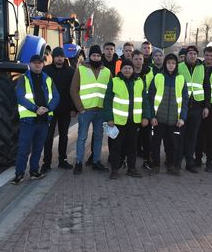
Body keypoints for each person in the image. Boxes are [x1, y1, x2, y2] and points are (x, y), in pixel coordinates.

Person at [12, 54, 60, 184]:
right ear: (30, 64)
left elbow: (56, 97)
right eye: (35, 63)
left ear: (43, 64)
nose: (37, 65)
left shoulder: (48, 79)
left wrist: (48, 108)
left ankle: (34, 171)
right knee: (24, 149)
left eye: (40, 63)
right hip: (28, 120)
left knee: (38, 148)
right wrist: (35, 109)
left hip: (44, 120)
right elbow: (20, 97)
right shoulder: (23, 79)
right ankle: (19, 174)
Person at [103, 59, 151, 179]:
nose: (128, 70)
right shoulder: (114, 81)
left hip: (133, 122)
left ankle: (132, 168)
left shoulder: (140, 81)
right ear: (121, 69)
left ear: (133, 69)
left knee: (132, 147)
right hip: (118, 122)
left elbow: (145, 101)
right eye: (125, 68)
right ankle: (114, 170)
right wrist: (109, 118)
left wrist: (146, 116)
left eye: (129, 68)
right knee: (116, 147)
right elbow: (107, 101)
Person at [70, 45, 111, 174]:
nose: (96, 58)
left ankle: (96, 161)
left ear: (101, 56)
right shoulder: (81, 70)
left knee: (99, 136)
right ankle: (78, 162)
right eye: (94, 55)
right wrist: (80, 108)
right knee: (82, 137)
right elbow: (73, 89)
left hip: (101, 111)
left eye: (98, 56)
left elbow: (110, 92)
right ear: (90, 56)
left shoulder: (107, 71)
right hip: (85, 111)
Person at [149, 53, 188, 175]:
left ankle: (171, 165)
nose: (171, 65)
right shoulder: (158, 77)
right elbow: (150, 98)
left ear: (176, 65)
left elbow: (185, 100)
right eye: (168, 63)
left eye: (173, 63)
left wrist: (182, 118)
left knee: (172, 145)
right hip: (158, 119)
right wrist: (152, 116)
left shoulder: (181, 79)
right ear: (165, 64)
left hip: (174, 121)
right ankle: (156, 165)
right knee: (155, 144)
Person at [41, 47, 75, 173]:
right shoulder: (46, 70)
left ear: (64, 57)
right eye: (57, 56)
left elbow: (74, 91)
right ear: (53, 57)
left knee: (64, 136)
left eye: (61, 56)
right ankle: (47, 162)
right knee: (48, 136)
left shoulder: (71, 71)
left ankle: (63, 160)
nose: (59, 58)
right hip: (49, 109)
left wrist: (74, 108)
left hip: (65, 109)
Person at [177, 45, 210, 173]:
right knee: (180, 136)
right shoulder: (179, 67)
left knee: (192, 137)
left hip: (197, 107)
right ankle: (177, 162)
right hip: (182, 107)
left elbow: (207, 87)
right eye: (190, 53)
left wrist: (207, 106)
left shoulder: (202, 68)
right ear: (186, 55)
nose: (192, 56)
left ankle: (190, 163)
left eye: (195, 54)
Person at [132, 50, 155, 169]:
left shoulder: (149, 72)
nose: (138, 61)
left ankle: (147, 160)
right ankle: (130, 162)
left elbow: (152, 93)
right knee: (132, 139)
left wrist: (148, 115)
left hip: (146, 110)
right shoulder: (128, 72)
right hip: (132, 112)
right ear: (132, 60)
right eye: (135, 59)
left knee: (147, 138)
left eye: (140, 59)